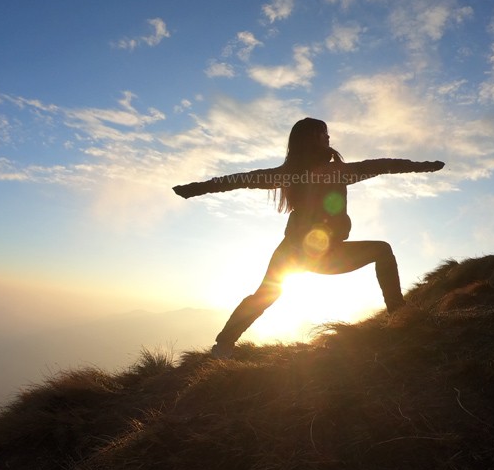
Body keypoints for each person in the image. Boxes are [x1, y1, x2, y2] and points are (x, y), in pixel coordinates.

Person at [173, 117, 444, 358]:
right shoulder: (335, 172)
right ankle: (399, 315)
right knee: (382, 251)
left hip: (296, 252)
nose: (329, 137)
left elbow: (236, 180)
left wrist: (194, 189)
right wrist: (424, 166)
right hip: (320, 254)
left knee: (265, 294)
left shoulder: (291, 174)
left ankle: (223, 346)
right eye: (324, 133)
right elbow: (384, 165)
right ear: (312, 138)